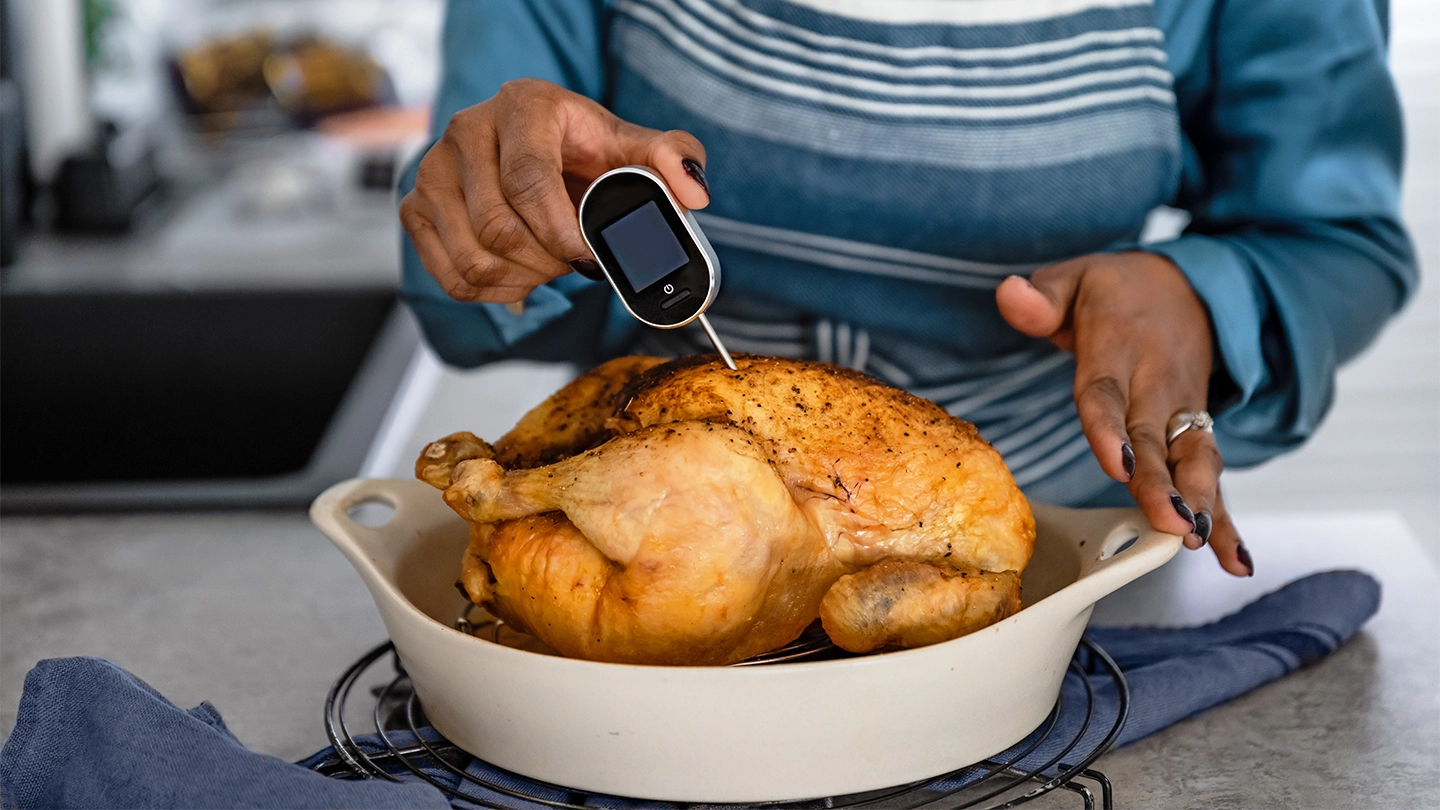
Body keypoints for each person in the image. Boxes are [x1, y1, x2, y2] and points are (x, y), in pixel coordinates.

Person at [396, 0, 1416, 578]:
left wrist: (1192, 295)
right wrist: (489, 216)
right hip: (661, 547)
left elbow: (1337, 239)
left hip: (1071, 570)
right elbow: (464, 289)